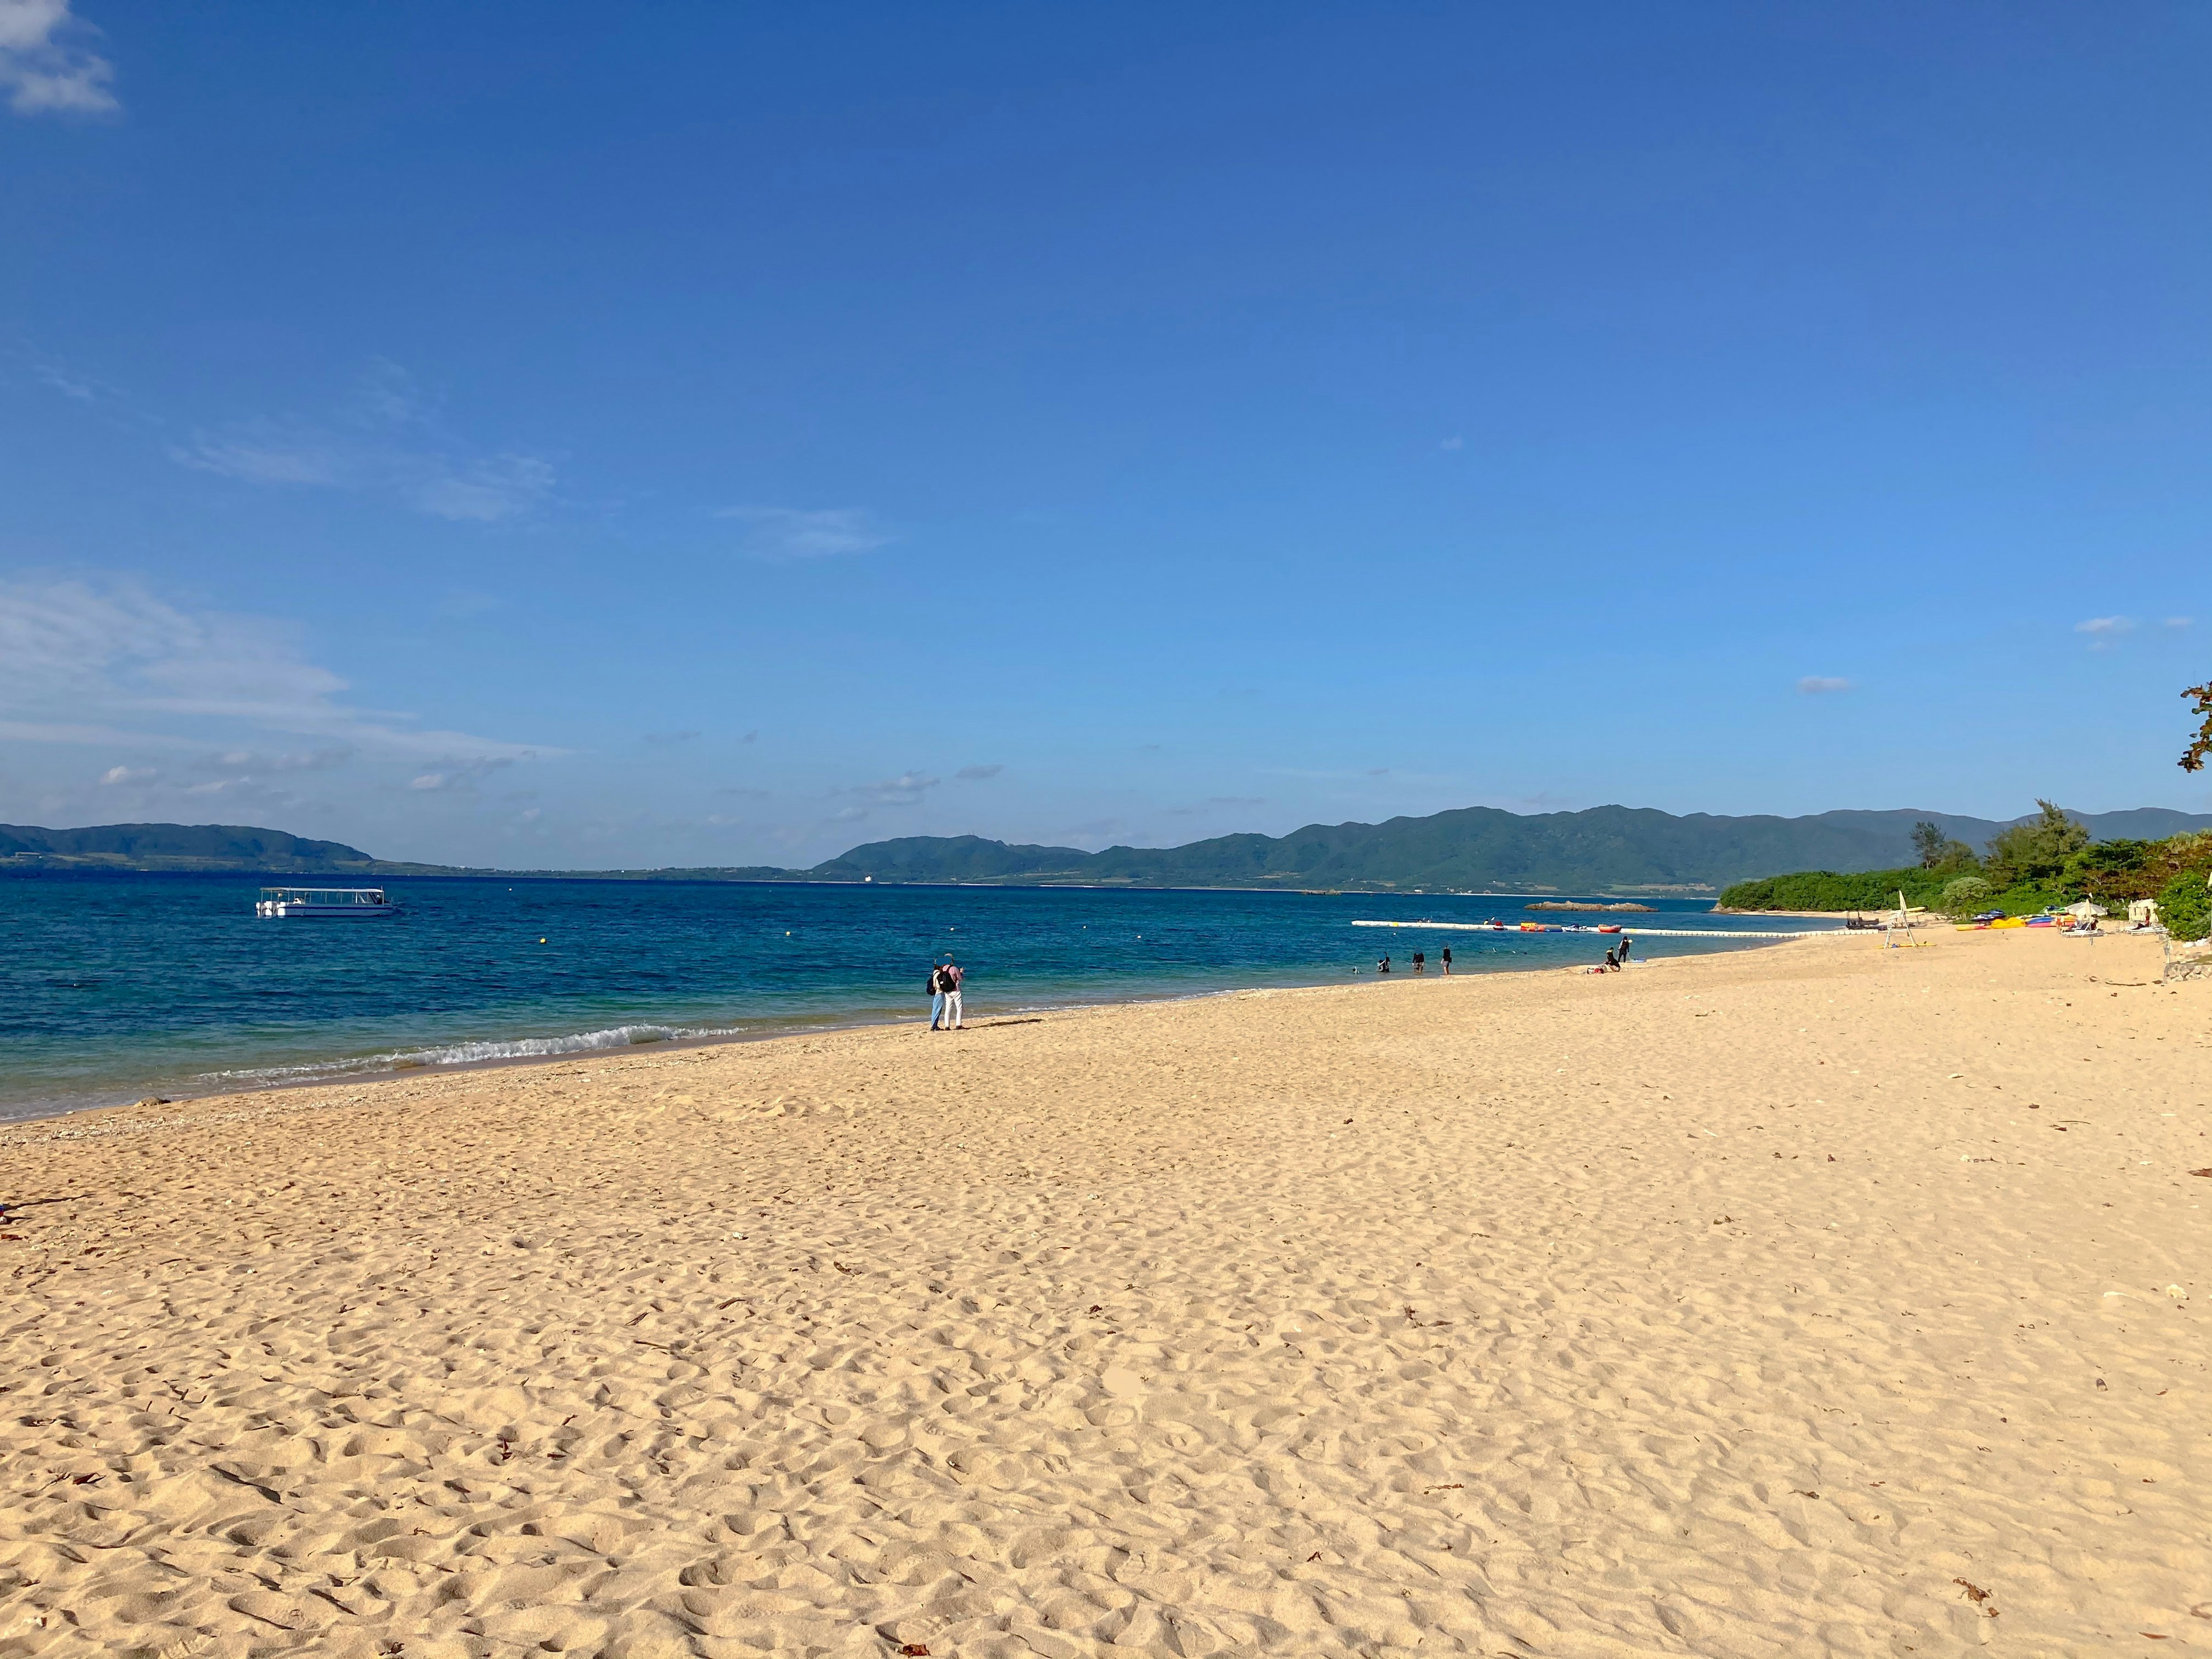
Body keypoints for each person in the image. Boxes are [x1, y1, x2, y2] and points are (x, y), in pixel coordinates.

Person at [941, 955, 964, 1028]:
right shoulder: (954, 968)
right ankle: (958, 1025)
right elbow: (960, 978)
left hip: (947, 990)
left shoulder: (943, 969)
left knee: (948, 1008)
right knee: (959, 1008)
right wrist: (961, 972)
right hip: (956, 990)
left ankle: (947, 1026)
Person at [926, 962, 948, 1029]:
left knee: (935, 1009)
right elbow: (938, 985)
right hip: (939, 992)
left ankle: (934, 1025)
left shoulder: (935, 972)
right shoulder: (938, 974)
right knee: (937, 1009)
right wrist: (944, 988)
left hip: (937, 993)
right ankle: (934, 1026)